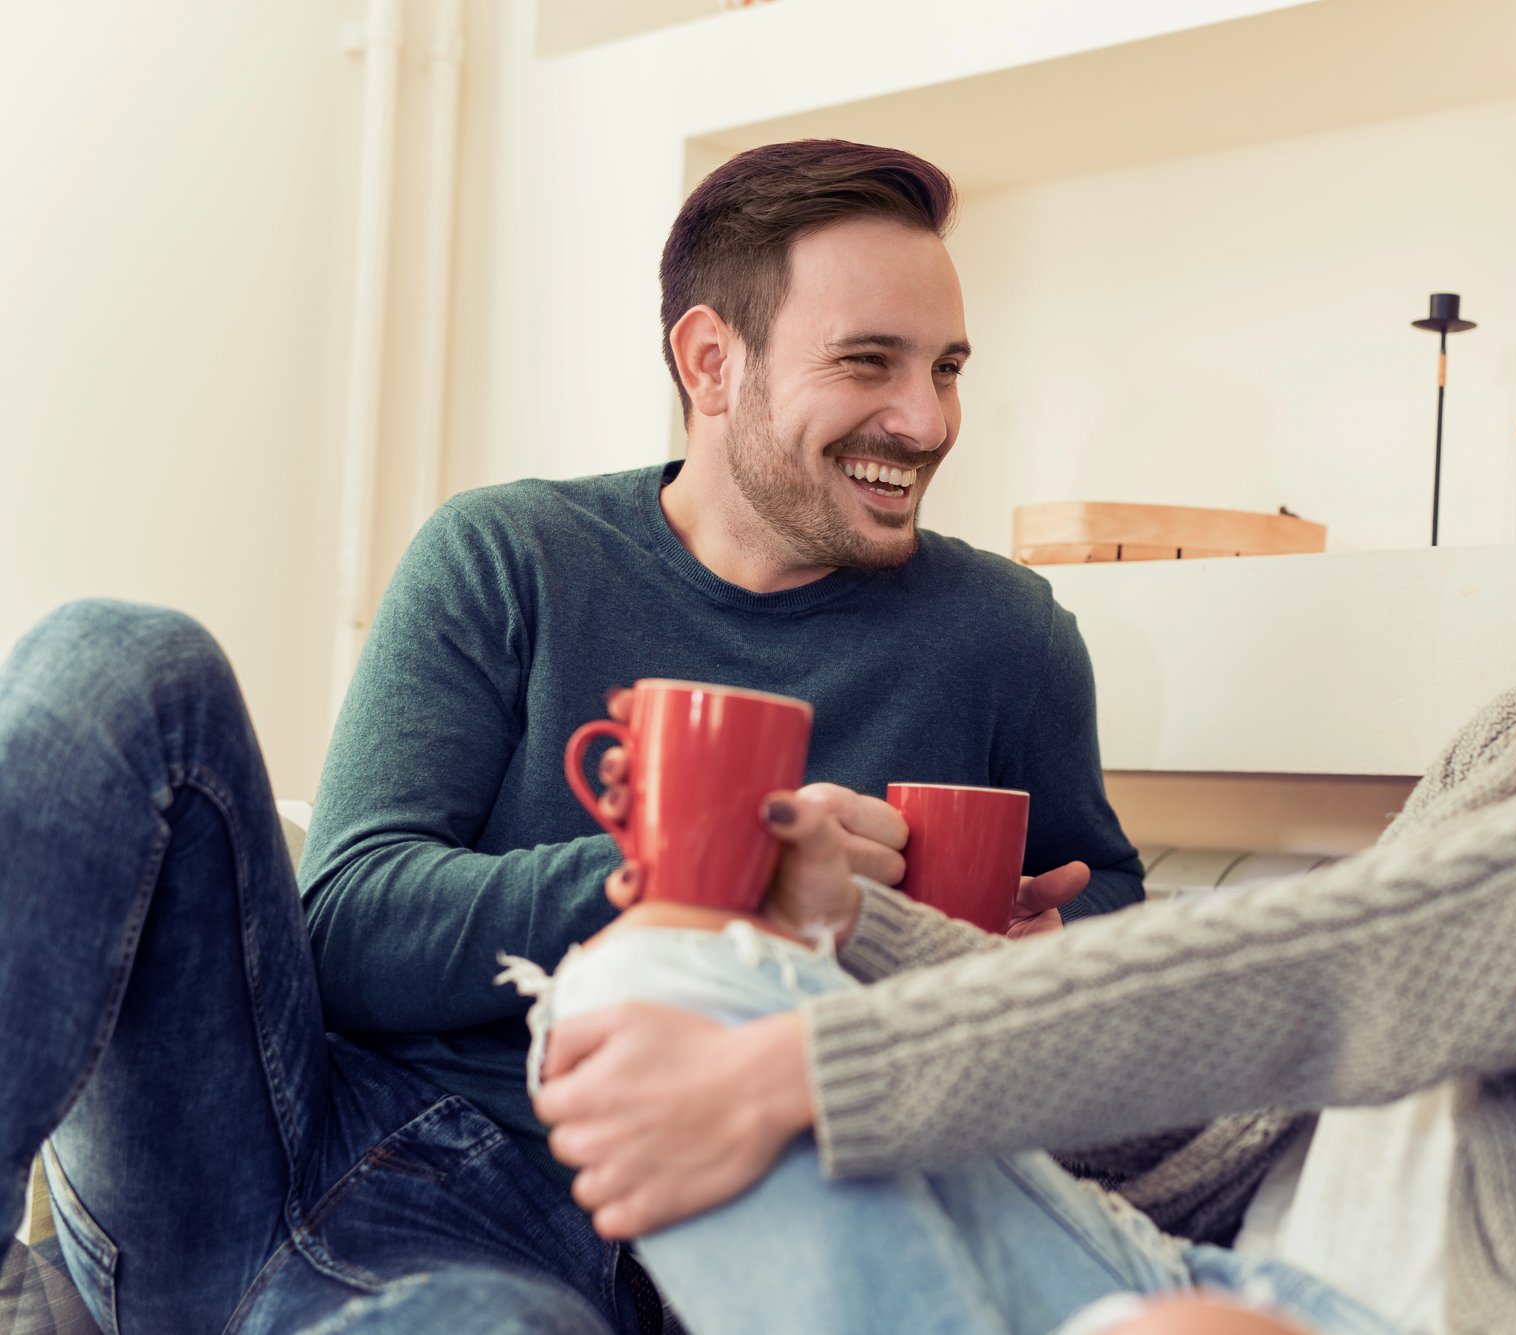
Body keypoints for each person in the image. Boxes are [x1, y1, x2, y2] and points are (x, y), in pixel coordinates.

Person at [533, 177, 1516, 1335]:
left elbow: (1387, 957)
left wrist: (810, 1070)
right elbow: (1238, 1104)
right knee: (642, 987)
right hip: (1227, 1274)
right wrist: (850, 926)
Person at [0, 139, 1138, 1335]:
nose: (923, 419)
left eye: (946, 369)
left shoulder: (1005, 638)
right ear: (710, 361)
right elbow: (344, 924)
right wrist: (700, 879)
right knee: (116, 656)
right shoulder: (509, 556)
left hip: (578, 1256)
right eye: (869, 364)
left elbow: (1102, 892)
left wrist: (1042, 944)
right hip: (287, 1153)